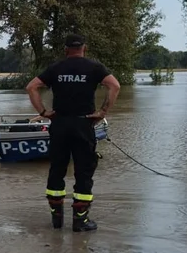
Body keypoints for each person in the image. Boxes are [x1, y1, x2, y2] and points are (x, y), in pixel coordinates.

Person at [25, 33, 121, 232]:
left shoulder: (56, 68)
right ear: (84, 48)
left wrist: (43, 112)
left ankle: (57, 219)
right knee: (83, 171)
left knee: (57, 170)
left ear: (66, 49)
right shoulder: (94, 67)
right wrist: (102, 112)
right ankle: (80, 220)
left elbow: (32, 87)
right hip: (83, 124)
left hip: (59, 125)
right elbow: (114, 85)